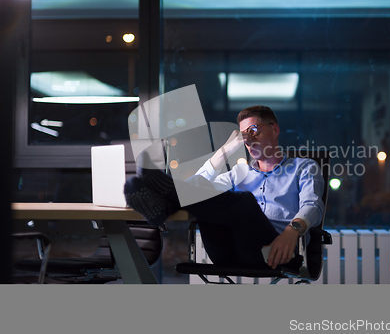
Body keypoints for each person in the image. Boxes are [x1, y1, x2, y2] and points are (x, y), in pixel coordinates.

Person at [124, 105, 324, 270]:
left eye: (253, 131)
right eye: (244, 136)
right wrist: (223, 151)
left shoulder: (303, 167)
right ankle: (165, 202)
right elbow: (197, 185)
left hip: (275, 251)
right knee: (208, 194)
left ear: (275, 129)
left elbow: (313, 205)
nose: (248, 140)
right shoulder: (240, 171)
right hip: (227, 250)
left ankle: (164, 205)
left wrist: (292, 230)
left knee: (245, 201)